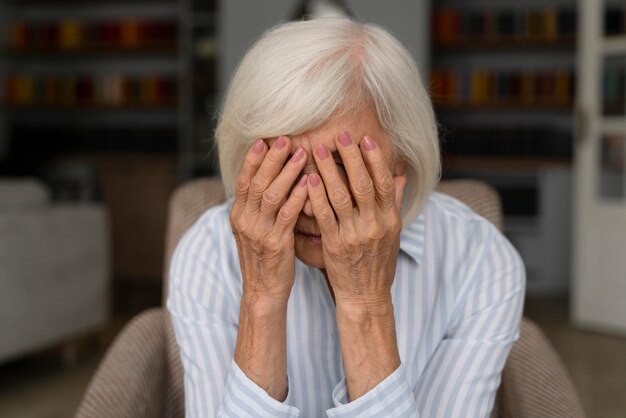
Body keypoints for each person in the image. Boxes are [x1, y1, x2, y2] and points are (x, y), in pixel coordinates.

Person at [168, 17, 525, 418]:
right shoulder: (206, 254)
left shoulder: (480, 261)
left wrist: (365, 305)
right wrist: (261, 302)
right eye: (284, 164)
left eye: (342, 165)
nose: (311, 205)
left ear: (402, 158)